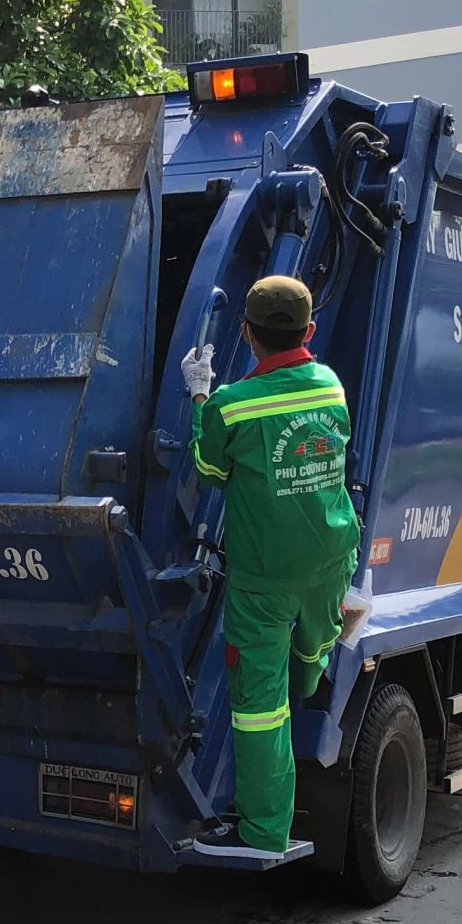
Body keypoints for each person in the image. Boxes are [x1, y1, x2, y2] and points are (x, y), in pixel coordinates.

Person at [181, 275, 363, 856]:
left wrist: (200, 395)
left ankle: (264, 832)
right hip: (331, 559)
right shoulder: (331, 387)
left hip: (263, 580)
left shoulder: (233, 405)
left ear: (245, 333)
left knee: (260, 710)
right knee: (312, 647)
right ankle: (308, 674)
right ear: (310, 331)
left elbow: (209, 470)